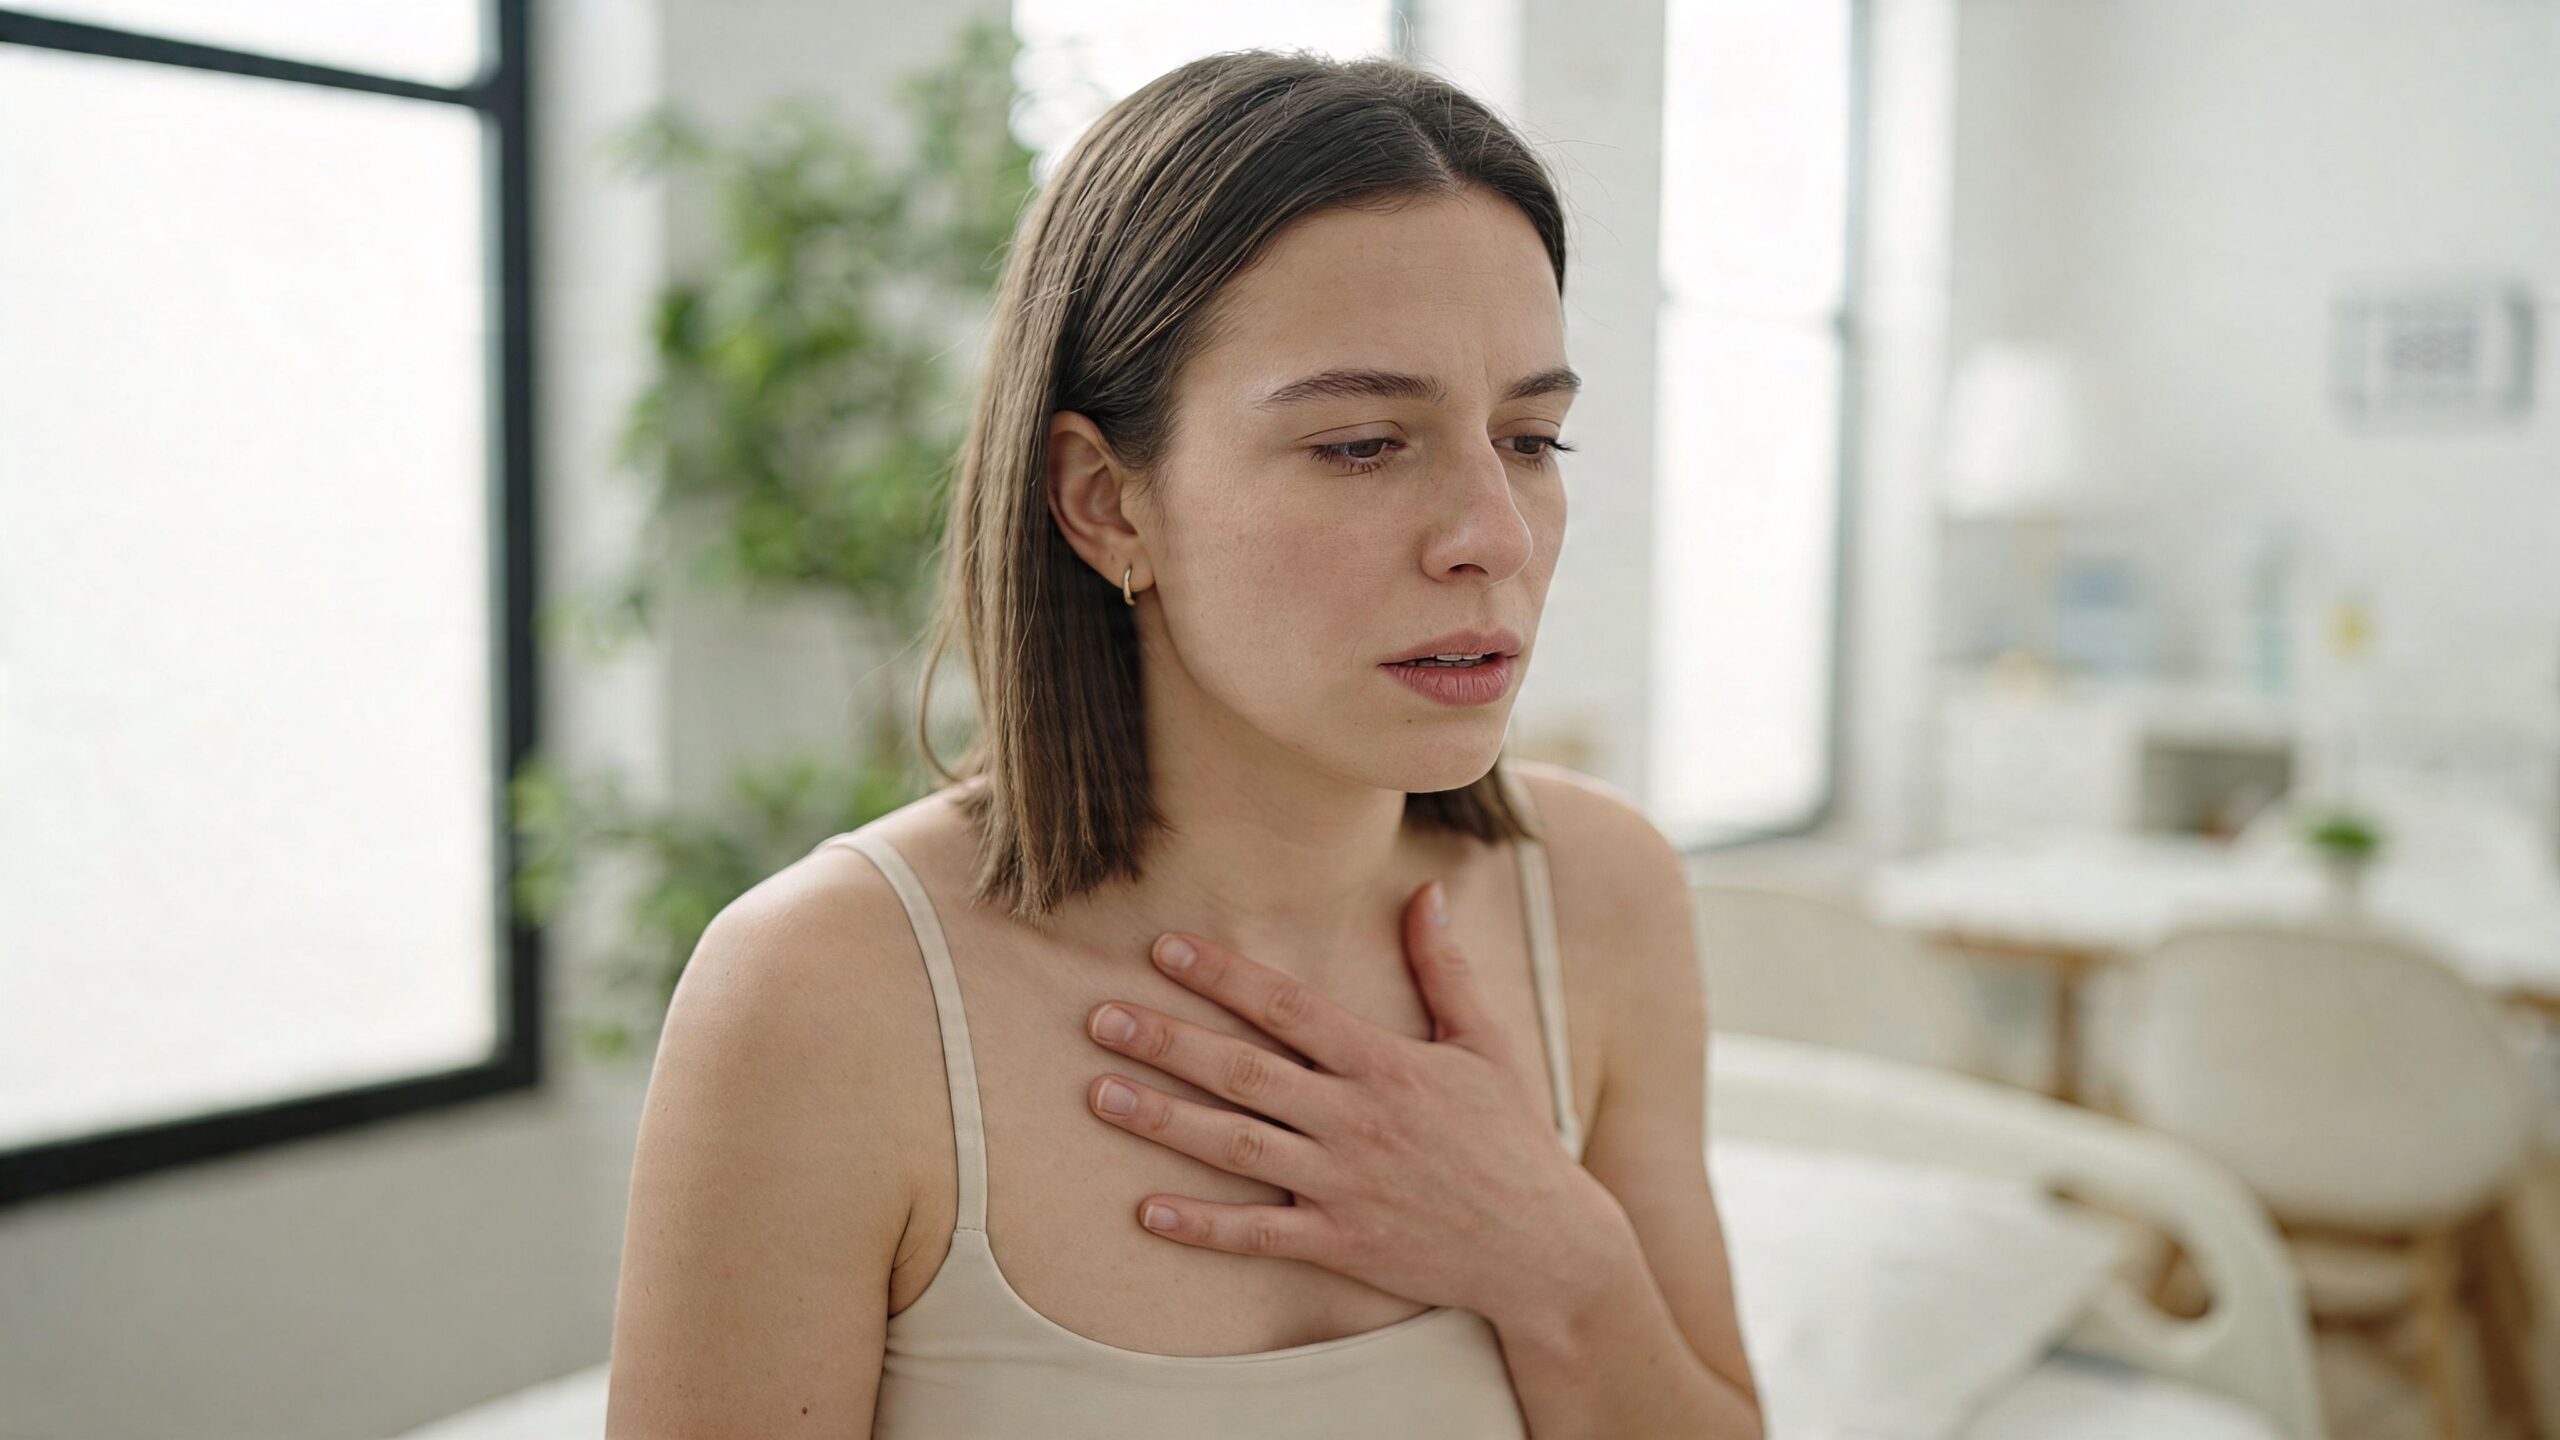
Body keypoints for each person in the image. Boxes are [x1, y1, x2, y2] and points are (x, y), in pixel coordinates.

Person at [606, 47, 1761, 1440]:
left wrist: (1556, 1261)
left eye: (1530, 439)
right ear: (1105, 504)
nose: (1493, 538)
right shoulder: (823, 995)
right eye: (1360, 444)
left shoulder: (1599, 892)